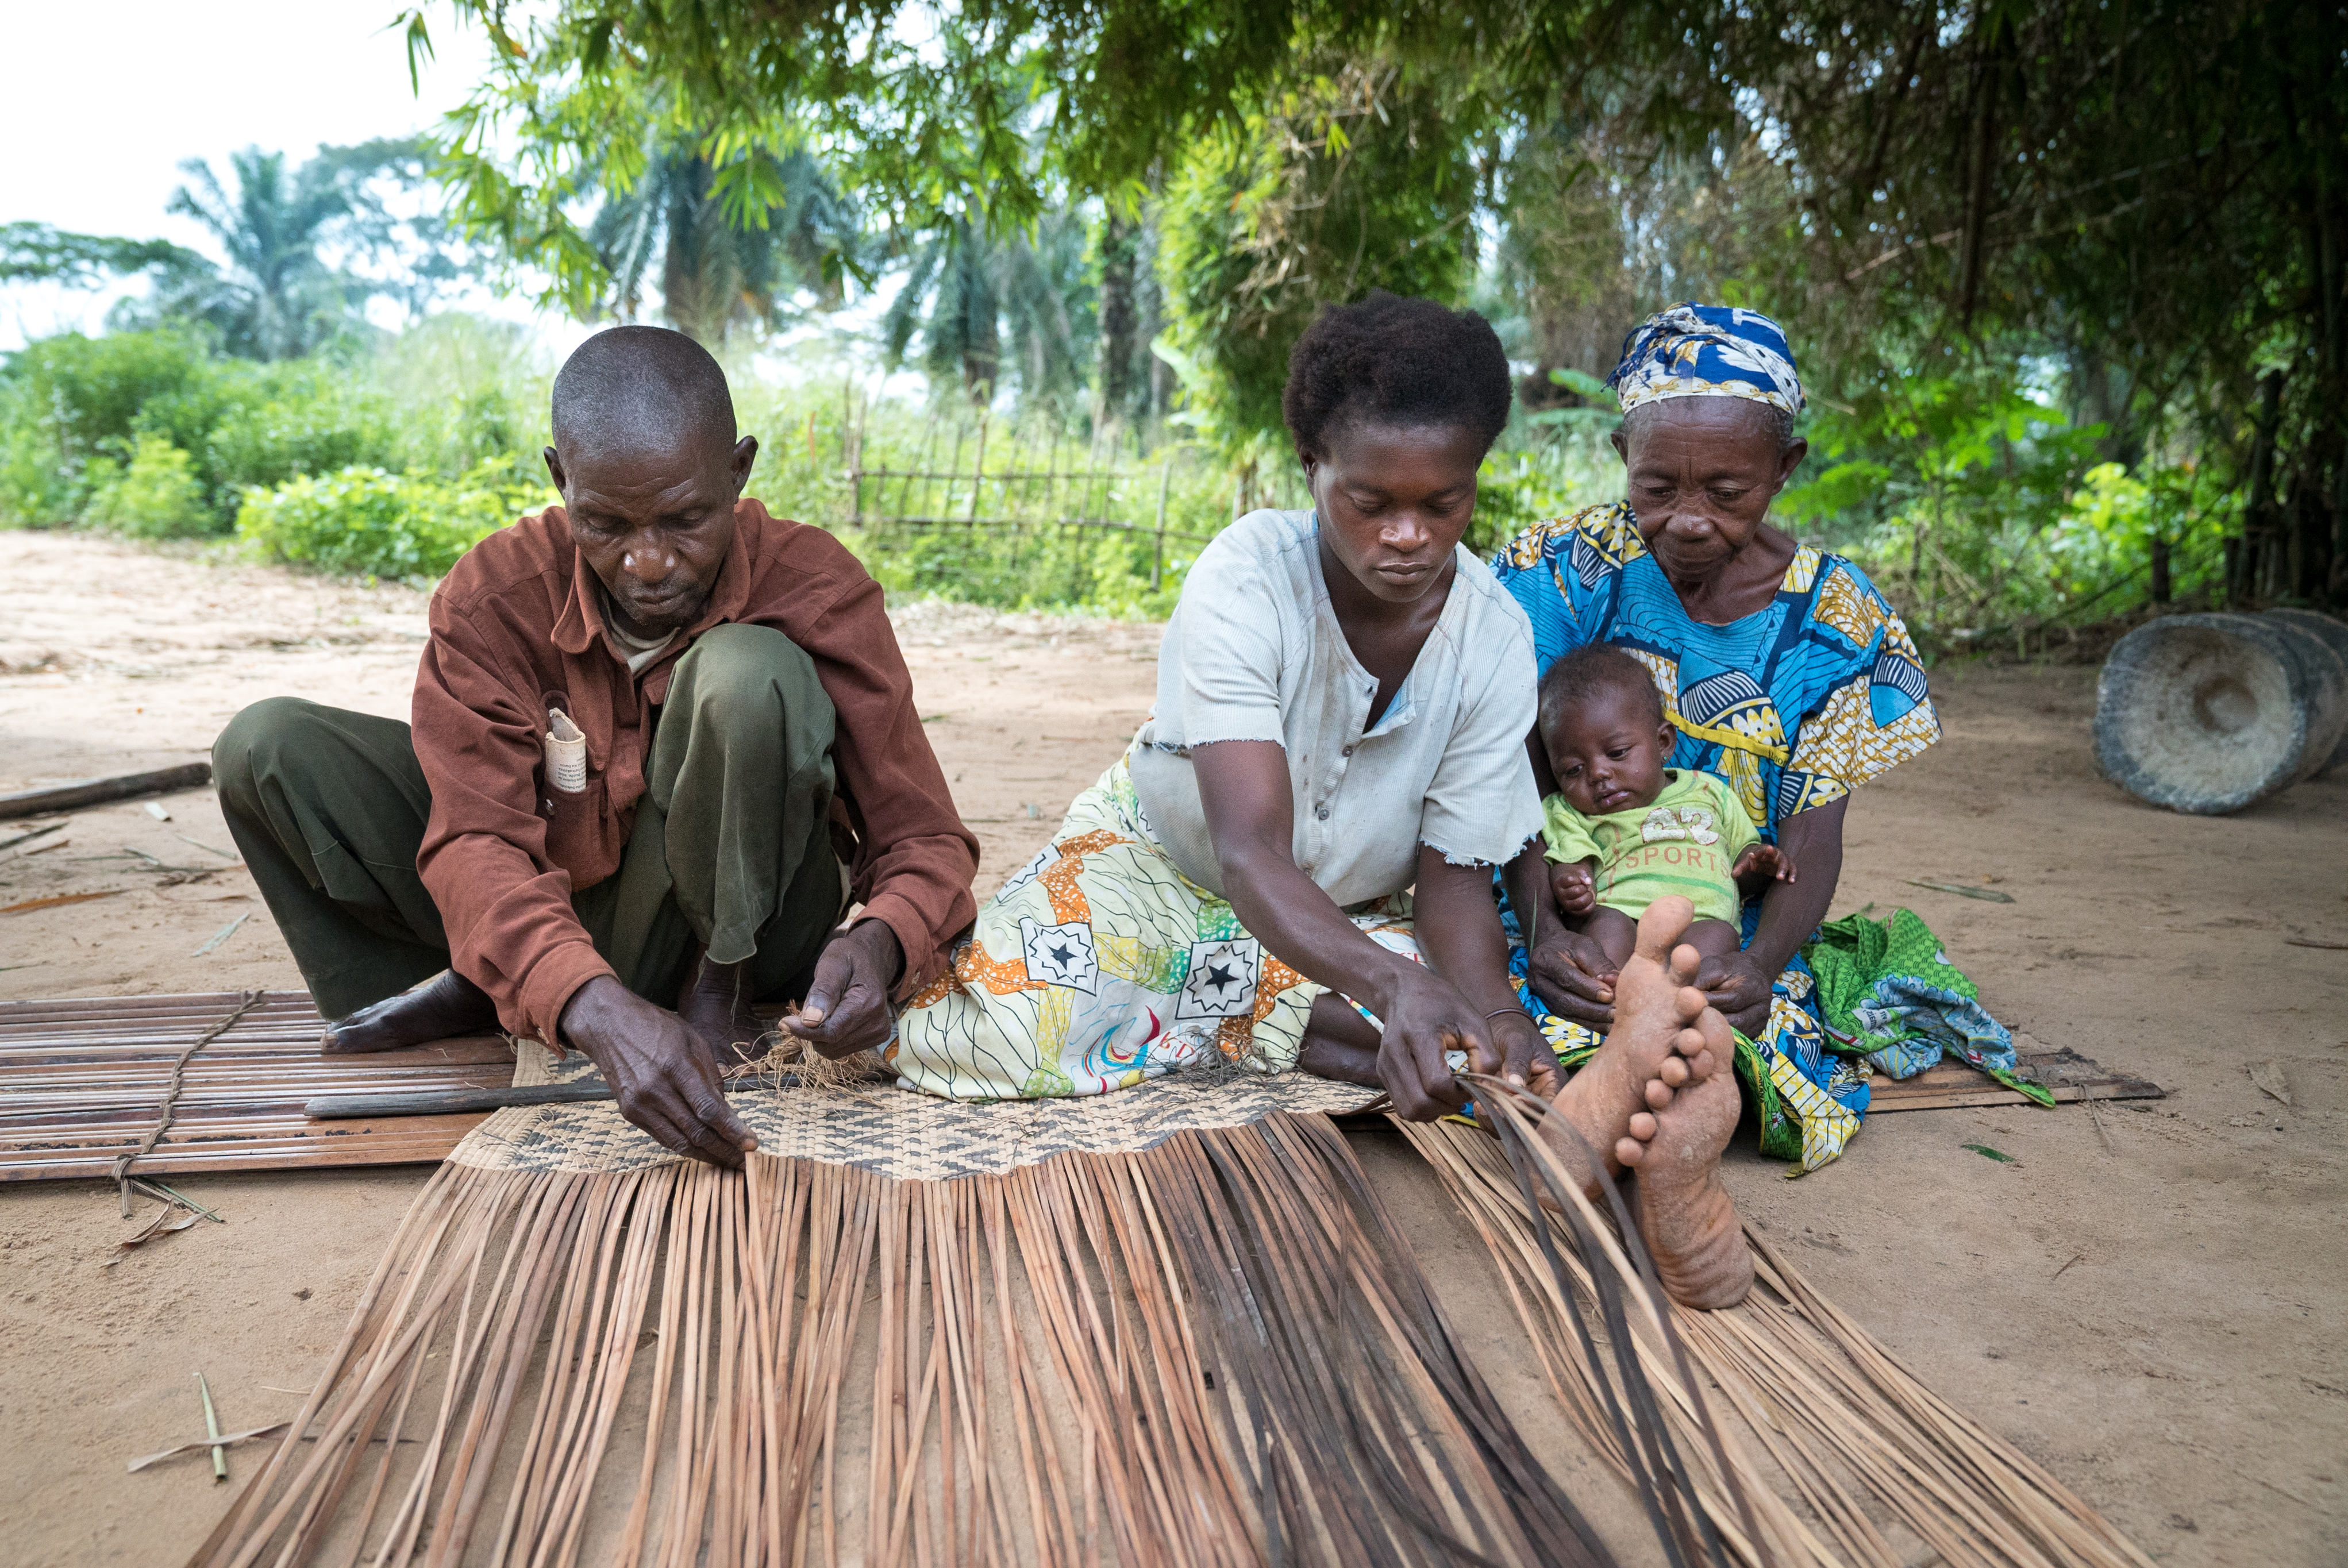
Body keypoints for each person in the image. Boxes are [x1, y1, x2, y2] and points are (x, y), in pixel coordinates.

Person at [212, 326, 980, 1169]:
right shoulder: (493, 598)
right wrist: (591, 1000)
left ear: (739, 472)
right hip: (576, 909)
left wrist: (882, 940)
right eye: (604, 523)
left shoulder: (816, 583)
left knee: (744, 672)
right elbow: (476, 836)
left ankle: (708, 989)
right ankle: (506, 985)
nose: (648, 562)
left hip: (754, 933)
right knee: (267, 745)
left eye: (686, 520)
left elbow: (925, 838)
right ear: (558, 480)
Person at [889, 292, 1554, 1120]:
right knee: (978, 1034)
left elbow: (1453, 888)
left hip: (1348, 921)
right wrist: (1393, 982)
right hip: (1165, 872)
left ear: (1474, 476)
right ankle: (1295, 1022)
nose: (1408, 535)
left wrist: (1496, 1017)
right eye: (1371, 503)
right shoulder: (1246, 581)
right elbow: (1247, 853)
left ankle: (1238, 1011)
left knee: (1481, 1044)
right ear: (1311, 463)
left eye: (1442, 503)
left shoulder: (1494, 638)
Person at [1491, 303, 1942, 1173]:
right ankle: (1639, 1106)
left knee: (1727, 1026)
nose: (1689, 520)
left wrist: (1764, 965)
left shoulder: (1839, 623)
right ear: (1624, 457)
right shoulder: (1562, 568)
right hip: (1569, 914)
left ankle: (1631, 1114)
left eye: (1726, 493)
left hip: (1723, 934)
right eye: (1656, 488)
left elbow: (1812, 829)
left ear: (1784, 469)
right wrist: (1544, 929)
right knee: (1479, 1007)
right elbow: (1500, 761)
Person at [1537, 642, 1795, 973]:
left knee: (1718, 938)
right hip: (1623, 915)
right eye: (1573, 770)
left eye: (1617, 753)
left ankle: (1677, 1003)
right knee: (1606, 930)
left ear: (1664, 743)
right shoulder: (1568, 810)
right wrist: (1571, 879)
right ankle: (1612, 996)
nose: (1598, 774)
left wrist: (1759, 865)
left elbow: (1741, 866)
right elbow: (1569, 859)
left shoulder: (1710, 791)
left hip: (1699, 919)